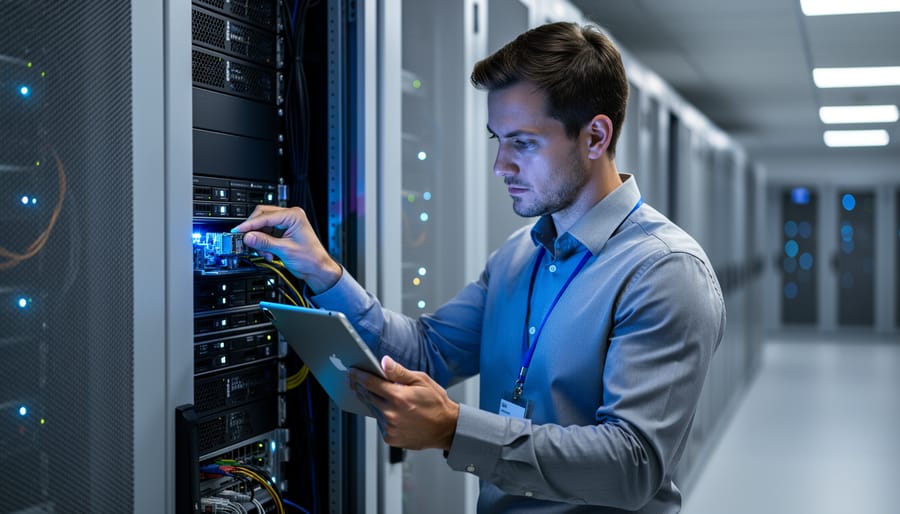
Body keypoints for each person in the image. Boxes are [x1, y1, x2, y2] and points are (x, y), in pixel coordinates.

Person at [233, 21, 725, 514]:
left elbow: (632, 465)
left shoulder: (664, 271)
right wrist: (323, 271)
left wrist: (454, 429)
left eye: (523, 143)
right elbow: (427, 352)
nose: (500, 166)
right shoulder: (517, 255)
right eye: (498, 140)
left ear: (595, 136)